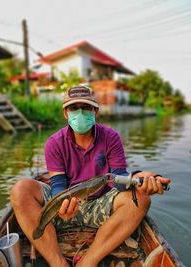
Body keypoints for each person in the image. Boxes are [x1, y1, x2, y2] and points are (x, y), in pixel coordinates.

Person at [10, 85, 171, 267]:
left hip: (100, 204)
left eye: (86, 107)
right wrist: (62, 205)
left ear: (96, 111)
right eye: (74, 108)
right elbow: (58, 184)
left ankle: (88, 262)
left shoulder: (111, 137)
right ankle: (58, 263)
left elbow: (118, 178)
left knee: (141, 199)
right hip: (66, 205)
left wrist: (141, 177)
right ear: (65, 113)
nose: (80, 112)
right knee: (21, 189)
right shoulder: (54, 143)